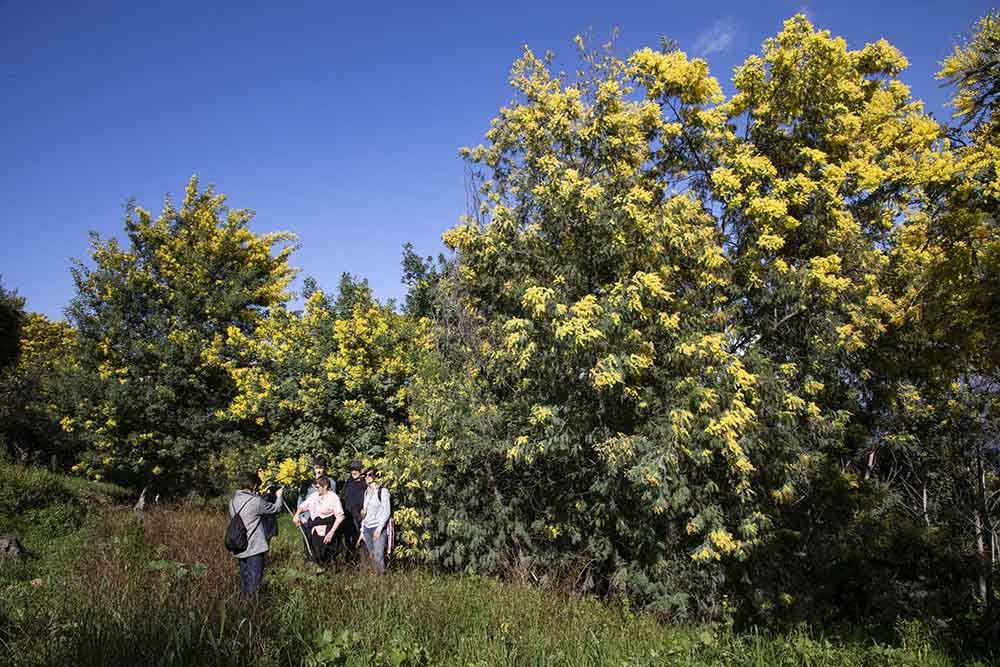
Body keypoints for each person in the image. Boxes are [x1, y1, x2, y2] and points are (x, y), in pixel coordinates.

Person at [228, 471, 283, 595]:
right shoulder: (256, 502)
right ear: (253, 486)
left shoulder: (232, 502)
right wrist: (279, 496)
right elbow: (276, 509)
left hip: (239, 547)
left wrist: (259, 496)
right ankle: (254, 611)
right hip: (254, 549)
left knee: (245, 582)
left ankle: (244, 610)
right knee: (254, 585)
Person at [293, 476, 344, 566]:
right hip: (314, 528)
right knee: (313, 554)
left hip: (326, 530)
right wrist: (297, 514)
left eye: (318, 487)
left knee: (325, 557)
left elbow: (340, 516)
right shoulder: (314, 496)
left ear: (325, 486)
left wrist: (331, 532)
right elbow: (303, 506)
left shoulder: (333, 498)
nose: (316, 489)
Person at [296, 456, 335, 561]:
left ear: (325, 469)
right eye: (317, 467)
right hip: (307, 519)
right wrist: (301, 516)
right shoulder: (307, 483)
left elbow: (332, 501)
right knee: (307, 544)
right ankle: (309, 565)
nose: (318, 470)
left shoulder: (331, 482)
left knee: (322, 547)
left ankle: (323, 566)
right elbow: (301, 500)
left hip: (322, 520)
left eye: (321, 467)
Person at [358, 467, 391, 575]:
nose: (367, 477)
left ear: (375, 476)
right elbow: (365, 514)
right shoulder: (366, 492)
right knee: (372, 555)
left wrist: (379, 529)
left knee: (378, 555)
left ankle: (381, 578)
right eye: (365, 475)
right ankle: (376, 578)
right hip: (367, 527)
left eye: (370, 474)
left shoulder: (383, 491)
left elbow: (386, 512)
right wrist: (362, 530)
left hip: (378, 527)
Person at [339, 459, 366, 565]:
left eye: (357, 470)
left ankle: (357, 563)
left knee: (357, 541)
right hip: (346, 516)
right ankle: (348, 562)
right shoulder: (348, 482)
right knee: (347, 540)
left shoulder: (364, 484)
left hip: (358, 518)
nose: (354, 472)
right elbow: (342, 497)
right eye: (352, 470)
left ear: (361, 471)